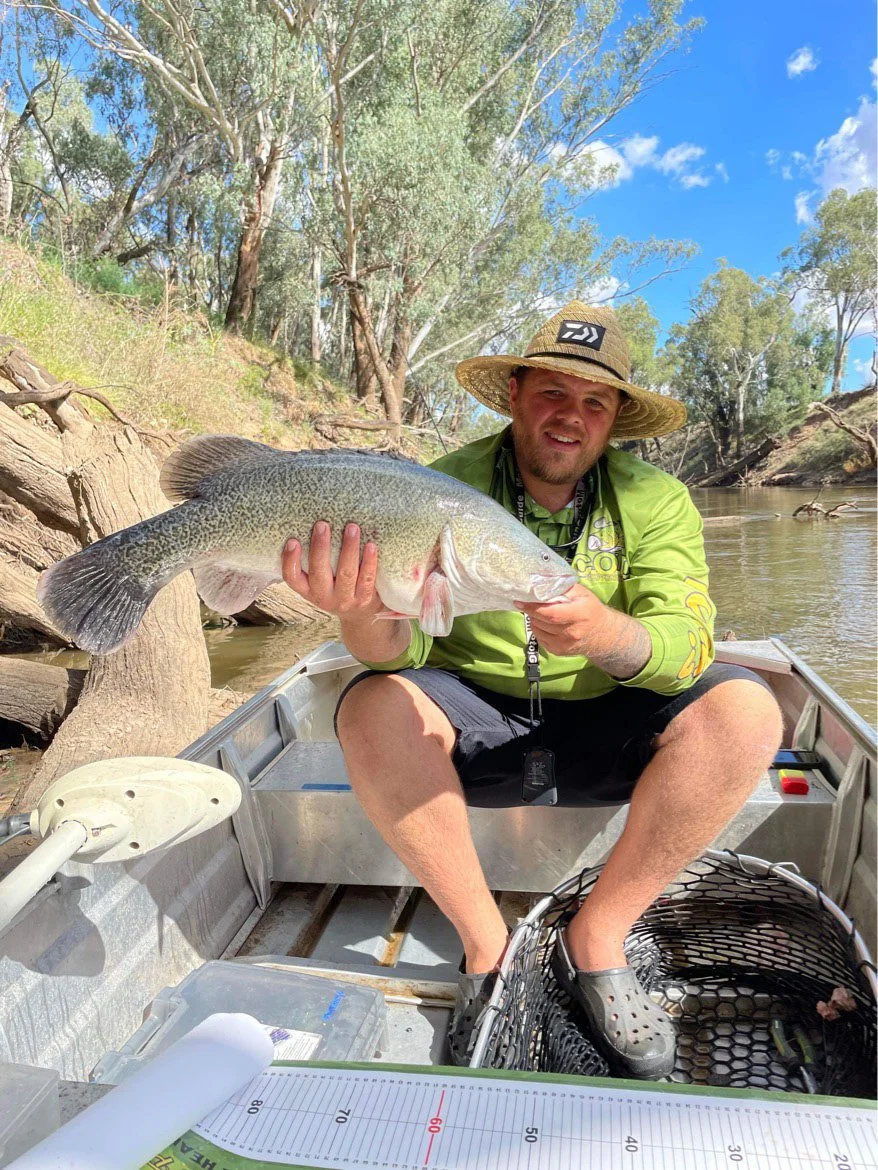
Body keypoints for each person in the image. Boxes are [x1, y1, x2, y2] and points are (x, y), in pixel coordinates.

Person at [281, 301, 783, 1077]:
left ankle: (598, 937)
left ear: (614, 419)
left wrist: (602, 634)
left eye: (594, 402)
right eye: (551, 392)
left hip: (612, 724)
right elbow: (399, 649)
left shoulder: (656, 501)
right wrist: (360, 613)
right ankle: (489, 950)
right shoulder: (434, 490)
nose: (569, 417)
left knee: (749, 708)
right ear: (514, 393)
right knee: (372, 702)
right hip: (473, 727)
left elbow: (686, 647)